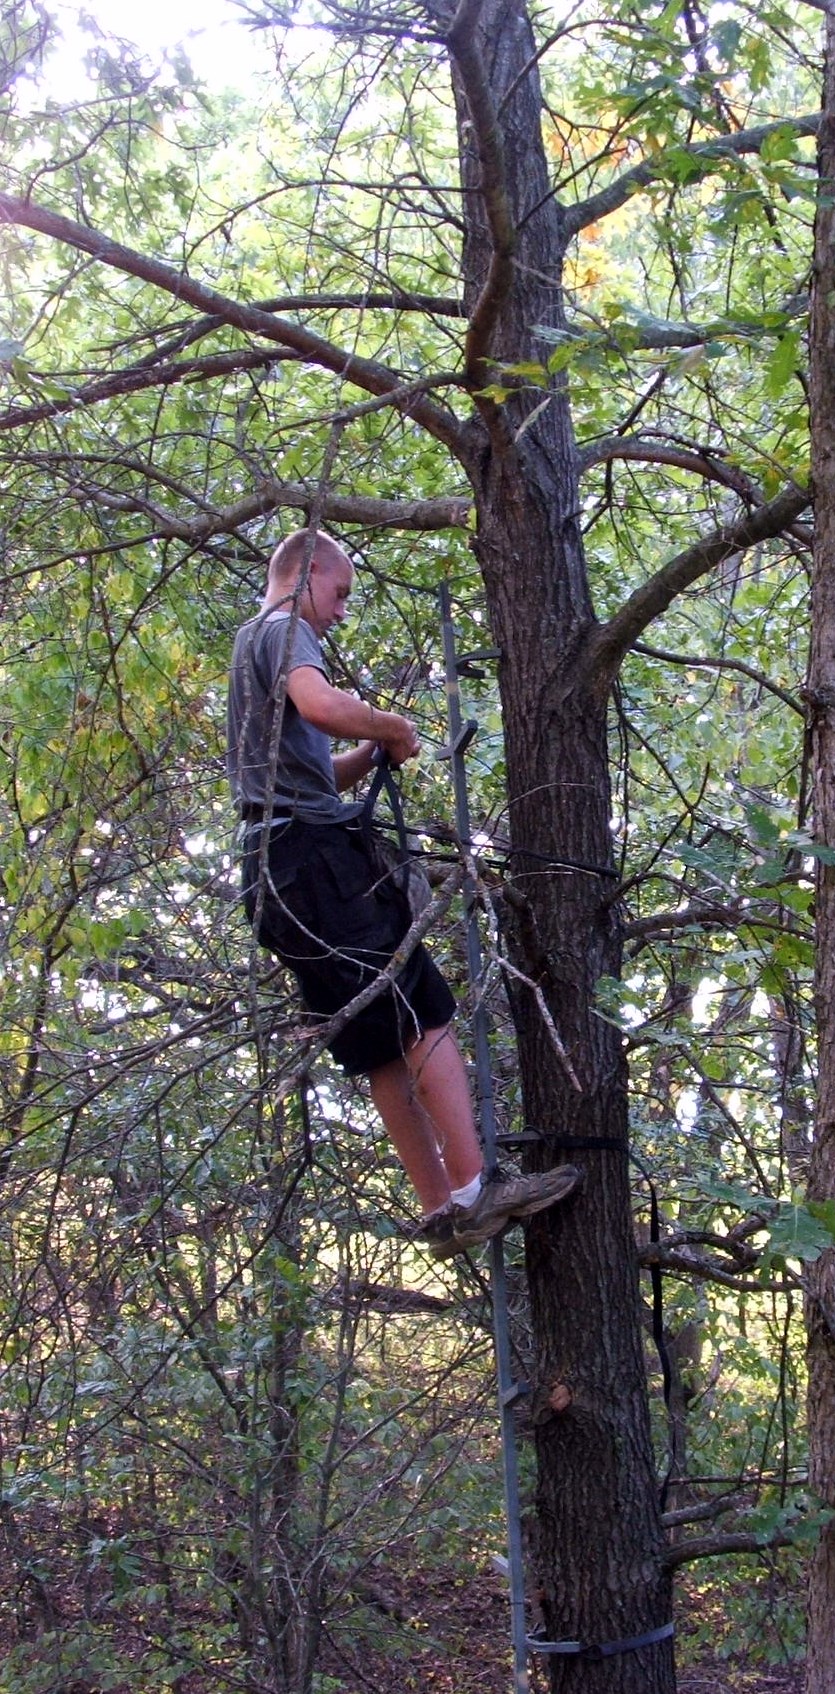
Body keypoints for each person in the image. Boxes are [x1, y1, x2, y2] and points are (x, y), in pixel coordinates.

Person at [226, 527, 579, 1258]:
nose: (340, 611)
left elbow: (313, 775)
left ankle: (443, 1205)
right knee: (420, 1004)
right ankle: (479, 1186)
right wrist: (388, 721)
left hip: (275, 870)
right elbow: (318, 703)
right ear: (305, 575)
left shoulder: (248, 646)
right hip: (315, 863)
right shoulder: (283, 629)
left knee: (374, 1036)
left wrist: (370, 750)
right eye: (340, 592)